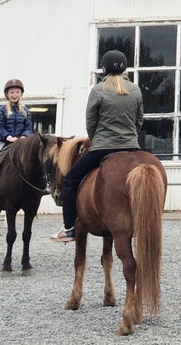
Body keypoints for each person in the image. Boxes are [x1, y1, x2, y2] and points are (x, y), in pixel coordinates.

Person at [52, 50, 144, 242]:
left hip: (102, 147)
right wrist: (129, 137)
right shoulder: (135, 89)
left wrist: (96, 139)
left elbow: (91, 122)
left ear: (103, 69)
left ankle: (69, 228)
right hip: (131, 147)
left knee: (69, 181)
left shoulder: (97, 90)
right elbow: (139, 120)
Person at [0, 78, 33, 200]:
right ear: (7, 94)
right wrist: (8, 136)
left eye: (17, 92)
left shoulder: (26, 111)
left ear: (21, 94)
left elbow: (28, 127)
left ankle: (41, 185)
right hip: (5, 141)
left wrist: (24, 136)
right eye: (12, 92)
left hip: (22, 142)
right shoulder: (2, 110)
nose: (14, 95)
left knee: (33, 158)